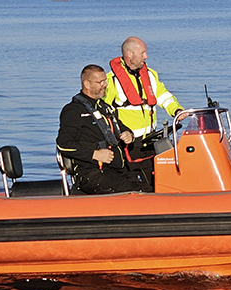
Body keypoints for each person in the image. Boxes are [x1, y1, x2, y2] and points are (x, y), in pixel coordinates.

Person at [56, 64, 149, 194]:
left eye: (105, 80)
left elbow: (121, 127)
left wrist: (129, 134)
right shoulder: (74, 110)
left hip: (116, 169)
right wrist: (95, 154)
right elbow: (64, 144)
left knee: (147, 189)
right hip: (92, 172)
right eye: (100, 82)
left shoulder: (105, 108)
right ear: (87, 84)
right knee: (134, 191)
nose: (105, 85)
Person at [103, 36, 183, 185]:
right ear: (129, 55)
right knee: (130, 183)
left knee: (157, 181)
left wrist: (177, 110)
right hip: (128, 143)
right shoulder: (111, 80)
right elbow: (104, 113)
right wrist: (120, 133)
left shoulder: (150, 75)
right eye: (143, 53)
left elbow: (163, 96)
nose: (146, 56)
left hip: (151, 140)